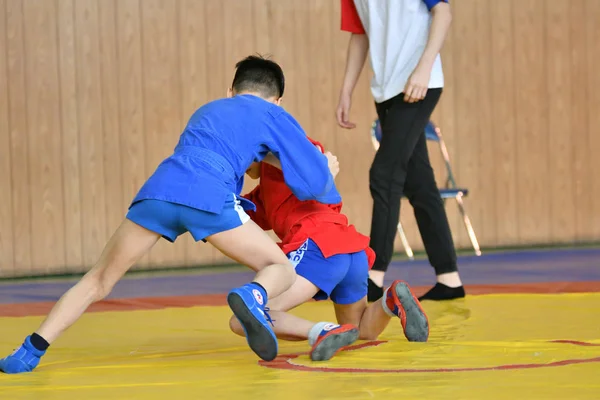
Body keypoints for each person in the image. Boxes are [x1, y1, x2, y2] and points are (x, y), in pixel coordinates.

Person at [0, 55, 341, 374]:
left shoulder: (209, 110)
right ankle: (252, 296)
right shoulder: (274, 115)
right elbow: (313, 185)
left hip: (160, 190)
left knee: (98, 280)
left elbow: (246, 155)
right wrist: (326, 168)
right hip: (208, 196)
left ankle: (28, 351)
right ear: (277, 100)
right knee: (278, 267)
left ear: (230, 91)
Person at [228, 138, 429, 362]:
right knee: (362, 331)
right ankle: (390, 301)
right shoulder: (265, 193)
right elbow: (236, 214)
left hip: (319, 248)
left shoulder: (280, 157)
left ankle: (321, 331)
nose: (244, 170)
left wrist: (313, 156)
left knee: (244, 318)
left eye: (245, 162)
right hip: (350, 249)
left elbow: (307, 151)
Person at [335, 0, 465, 302]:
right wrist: (346, 90)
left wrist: (424, 67)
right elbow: (360, 33)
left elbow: (443, 12)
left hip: (419, 82)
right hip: (386, 89)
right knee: (419, 182)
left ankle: (373, 275)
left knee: (384, 174)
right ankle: (449, 279)